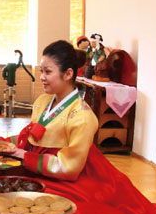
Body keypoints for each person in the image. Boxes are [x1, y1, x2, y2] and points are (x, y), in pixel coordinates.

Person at [7, 40, 98, 181]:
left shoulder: (82, 117)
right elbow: (30, 139)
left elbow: (69, 168)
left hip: (61, 178)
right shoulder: (42, 101)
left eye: (48, 72)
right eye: (41, 71)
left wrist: (26, 156)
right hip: (35, 168)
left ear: (68, 74)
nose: (42, 77)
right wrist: (0, 143)